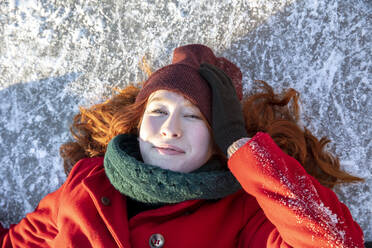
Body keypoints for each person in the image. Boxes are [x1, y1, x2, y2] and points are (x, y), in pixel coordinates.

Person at [0, 44, 365, 247]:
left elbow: (334, 242)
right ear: (139, 122)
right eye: (158, 110)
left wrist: (239, 144)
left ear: (216, 139)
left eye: (194, 117)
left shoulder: (241, 214)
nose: (170, 129)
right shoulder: (86, 182)